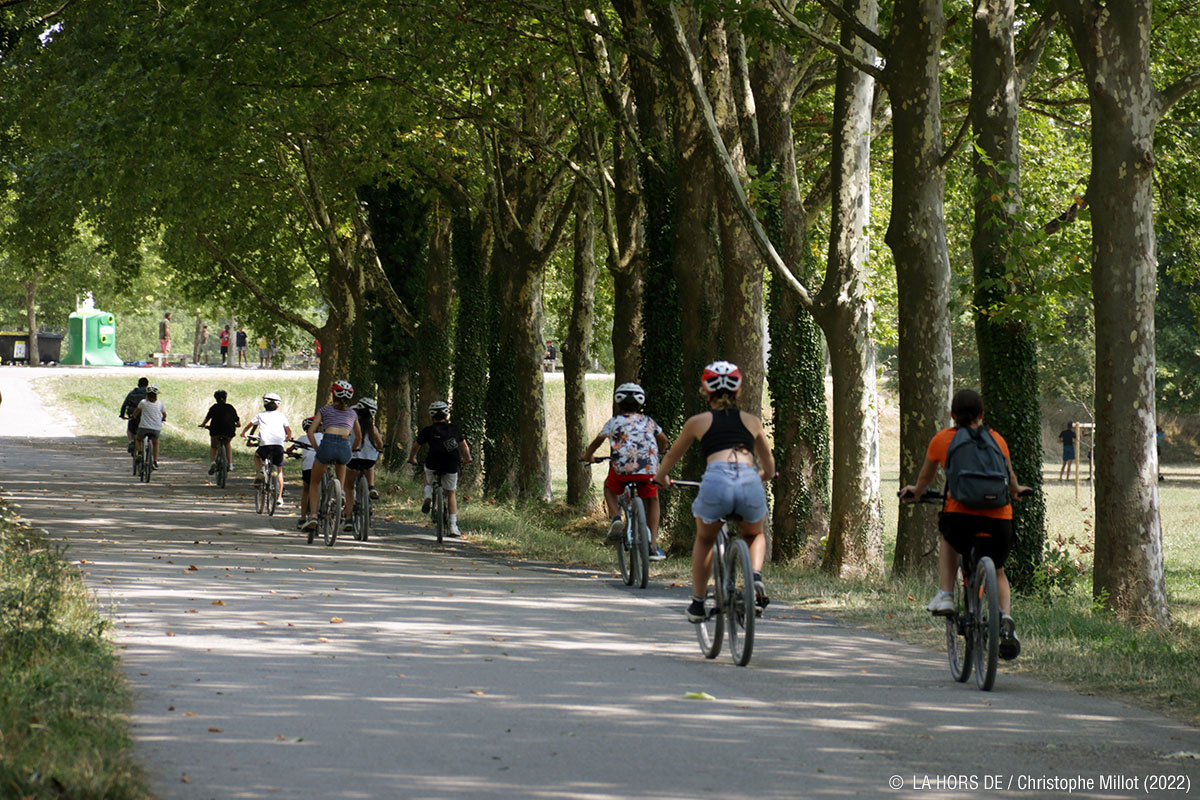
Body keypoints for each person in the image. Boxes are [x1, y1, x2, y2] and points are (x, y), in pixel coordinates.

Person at [900, 388, 1031, 661]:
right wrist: (1017, 491)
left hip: (961, 518)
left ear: (952, 415)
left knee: (948, 538)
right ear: (981, 415)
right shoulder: (997, 440)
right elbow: (1011, 479)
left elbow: (924, 480)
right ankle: (1005, 620)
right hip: (999, 519)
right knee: (997, 570)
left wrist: (915, 490)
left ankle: (946, 594)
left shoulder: (942, 440)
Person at [654, 361, 775, 622]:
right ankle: (754, 578)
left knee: (706, 539)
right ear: (738, 390)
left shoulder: (697, 422)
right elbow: (769, 465)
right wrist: (760, 478)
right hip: (748, 478)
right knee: (754, 535)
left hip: (716, 481)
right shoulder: (752, 421)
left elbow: (672, 456)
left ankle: (698, 604)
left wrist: (661, 477)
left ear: (705, 390)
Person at [581, 382, 670, 560]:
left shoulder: (614, 422)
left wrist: (588, 456)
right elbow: (664, 440)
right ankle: (652, 545)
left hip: (622, 470)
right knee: (653, 499)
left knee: (608, 487)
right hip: (648, 469)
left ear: (618, 404)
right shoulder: (648, 421)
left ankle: (616, 518)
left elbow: (597, 442)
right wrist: (659, 451)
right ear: (639, 404)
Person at [303, 380, 362, 531]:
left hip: (327, 444)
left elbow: (311, 432)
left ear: (333, 394)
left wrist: (317, 448)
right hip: (344, 446)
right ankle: (340, 492)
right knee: (342, 463)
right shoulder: (353, 413)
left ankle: (314, 517)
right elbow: (358, 437)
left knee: (314, 483)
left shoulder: (324, 410)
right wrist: (352, 449)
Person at [408, 400, 472, 537]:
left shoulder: (427, 431)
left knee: (427, 471)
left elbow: (415, 446)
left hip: (433, 462)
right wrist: (467, 458)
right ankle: (453, 526)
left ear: (431, 416)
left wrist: (412, 458)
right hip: (450, 464)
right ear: (446, 415)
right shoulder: (454, 429)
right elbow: (464, 447)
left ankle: (427, 495)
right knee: (451, 493)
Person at [241, 392, 292, 505]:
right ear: (278, 405)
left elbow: (249, 425)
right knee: (279, 471)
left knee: (257, 456)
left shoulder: (260, 415)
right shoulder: (281, 415)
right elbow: (289, 430)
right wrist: (287, 438)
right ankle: (279, 497)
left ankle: (260, 472)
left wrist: (244, 433)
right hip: (278, 446)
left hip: (265, 445)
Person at [343, 398, 385, 531]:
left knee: (349, 487)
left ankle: (348, 519)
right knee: (370, 463)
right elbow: (379, 444)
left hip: (353, 458)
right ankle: (371, 486)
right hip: (369, 460)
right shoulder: (372, 428)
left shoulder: (350, 425)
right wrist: (380, 448)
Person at [287, 416, 321, 529]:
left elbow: (290, 450)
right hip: (322, 466)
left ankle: (302, 518)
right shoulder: (324, 436)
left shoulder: (303, 438)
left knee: (306, 490)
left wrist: (292, 453)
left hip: (308, 468)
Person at [200, 389, 240, 476]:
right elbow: (238, 422)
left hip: (216, 430)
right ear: (226, 398)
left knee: (214, 446)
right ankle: (230, 464)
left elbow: (207, 419)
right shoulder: (230, 407)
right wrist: (237, 425)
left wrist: (203, 425)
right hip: (229, 430)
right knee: (227, 444)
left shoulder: (214, 407)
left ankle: (213, 462)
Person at [131, 384, 166, 468]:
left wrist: (133, 416)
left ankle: (139, 453)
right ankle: (155, 461)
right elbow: (164, 414)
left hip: (143, 427)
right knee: (155, 443)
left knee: (138, 439)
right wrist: (163, 419)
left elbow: (136, 412)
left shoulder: (143, 402)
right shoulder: (160, 404)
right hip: (156, 428)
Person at [119, 376, 150, 452]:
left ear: (138, 384)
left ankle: (132, 441)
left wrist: (122, 414)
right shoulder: (150, 393)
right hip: (147, 415)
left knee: (130, 430)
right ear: (147, 385)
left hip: (134, 415)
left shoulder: (133, 392)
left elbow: (125, 404)